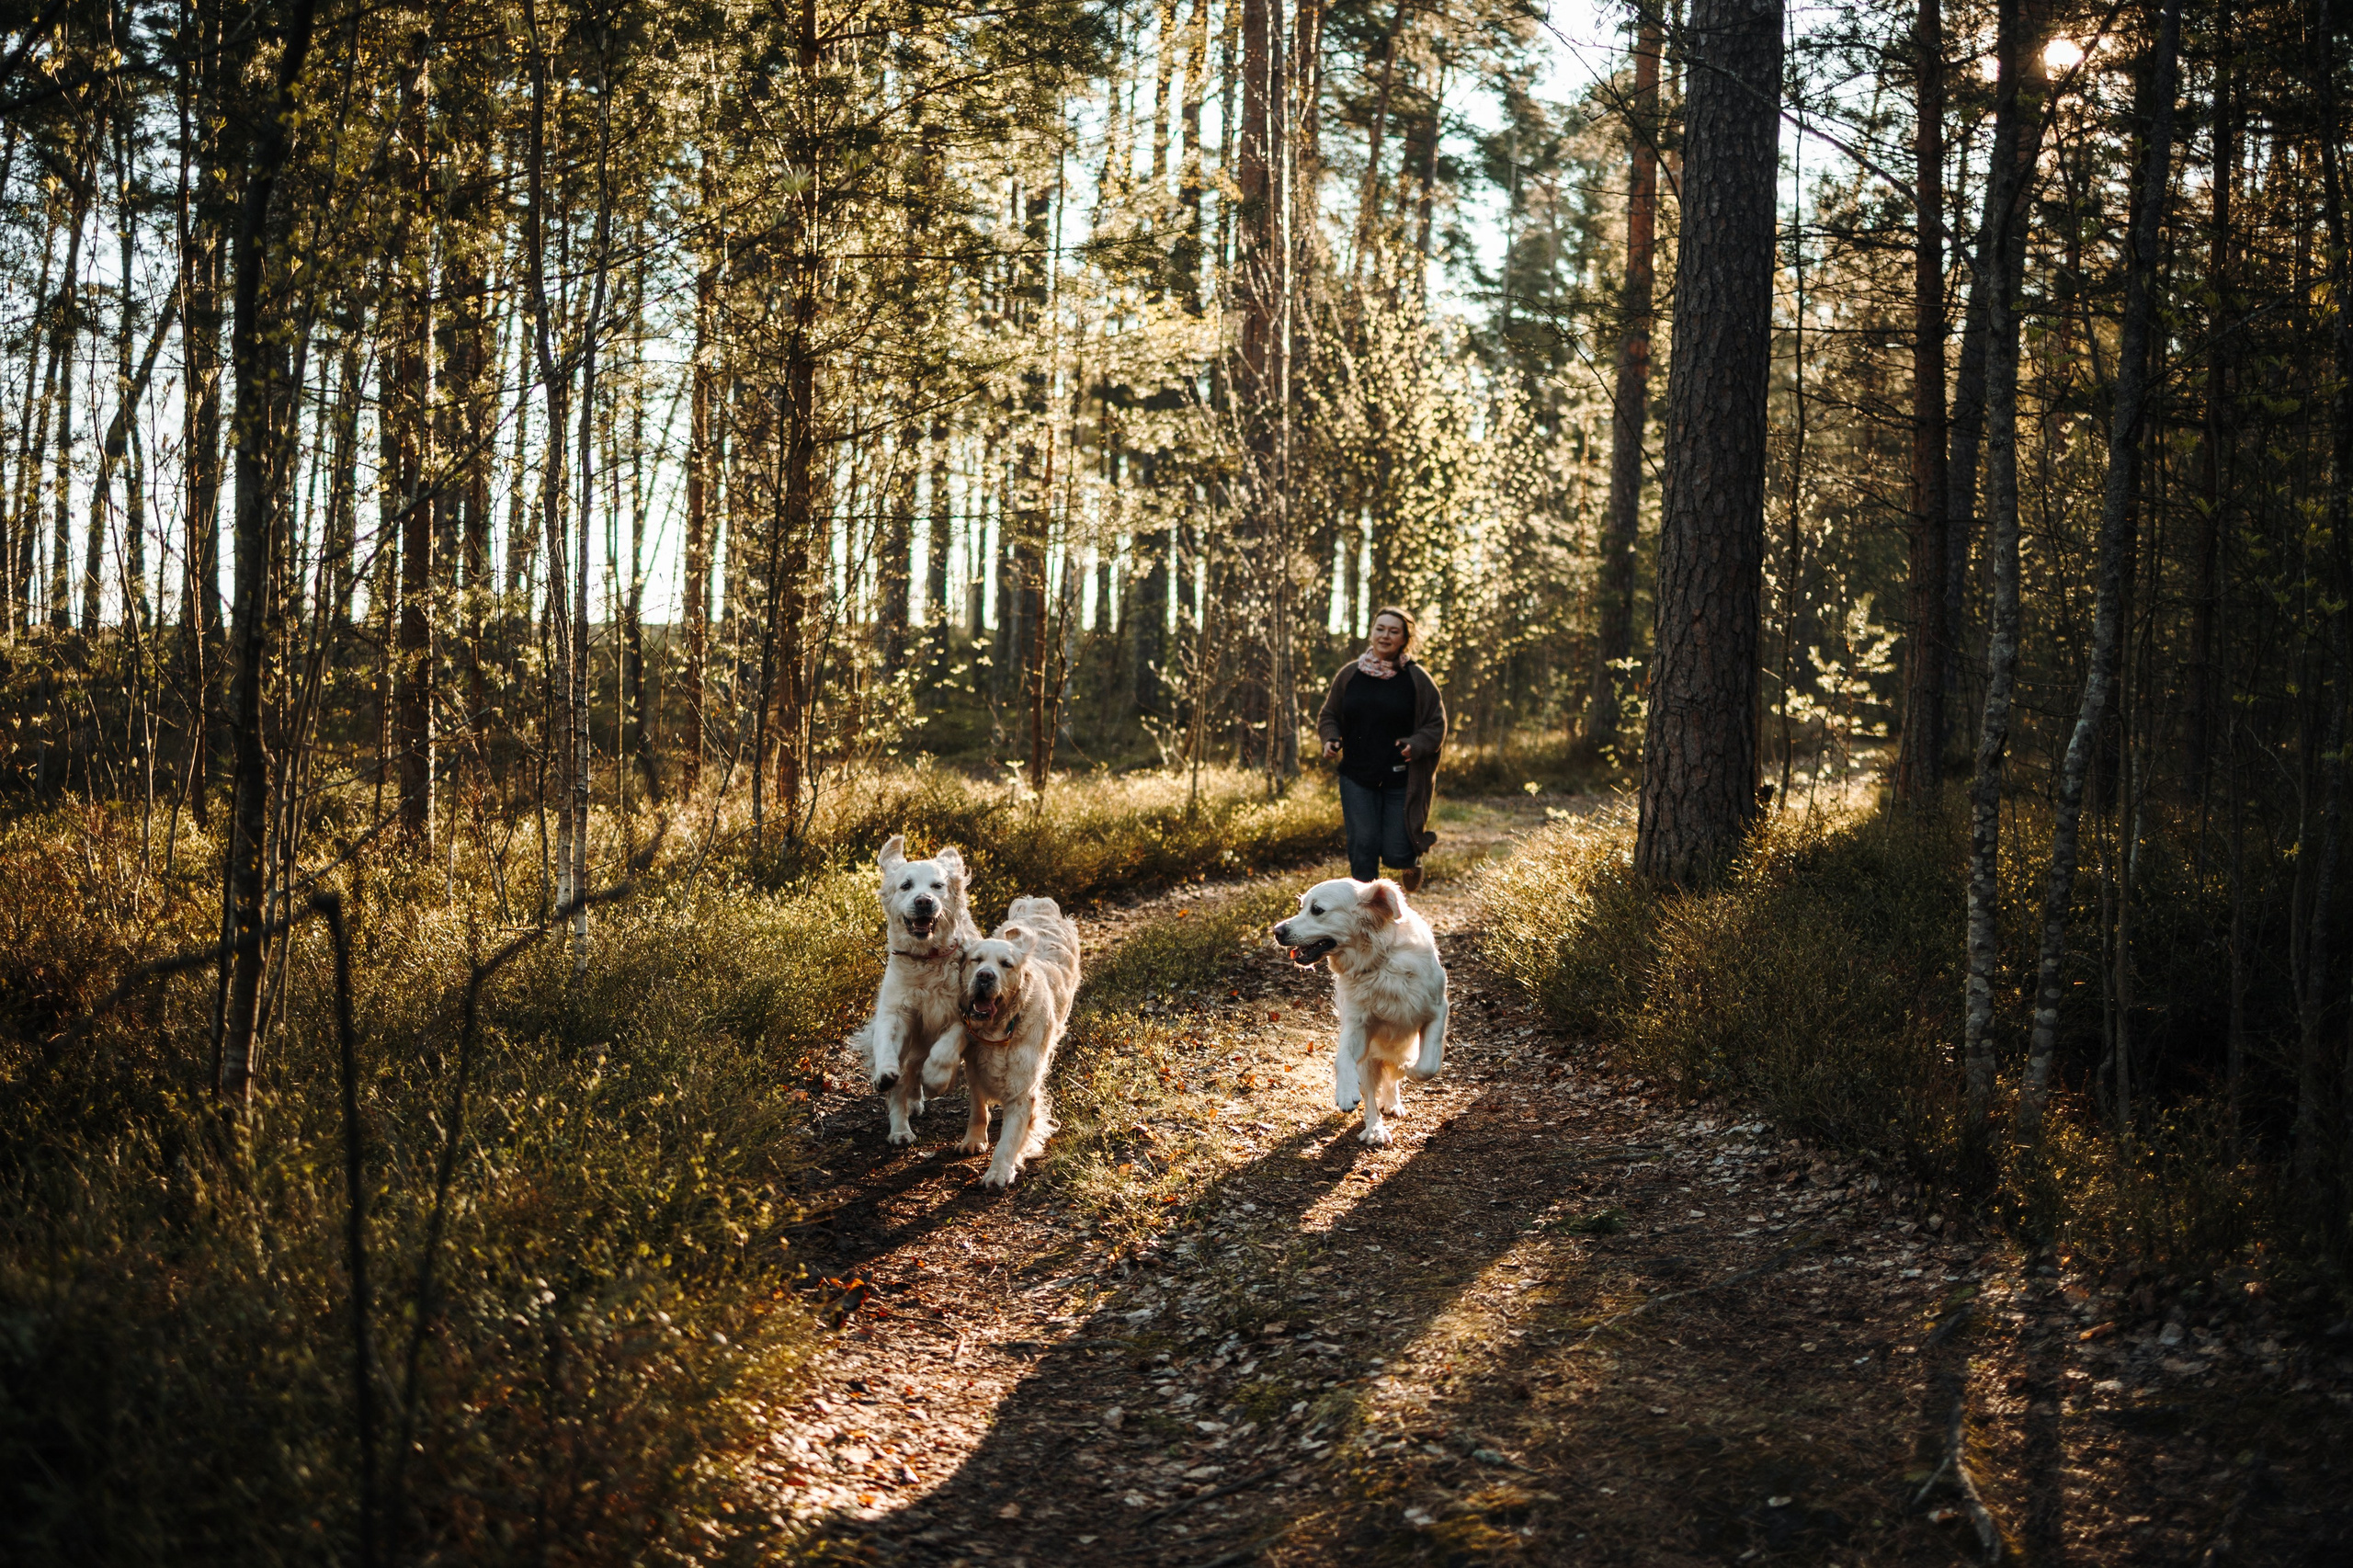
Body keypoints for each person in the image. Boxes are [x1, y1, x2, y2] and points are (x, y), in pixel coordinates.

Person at [1316, 607, 1447, 892]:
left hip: (1399, 778)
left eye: (1393, 631)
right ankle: (1366, 910)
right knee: (1363, 845)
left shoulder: (1417, 679)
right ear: (1372, 632)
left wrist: (1417, 744)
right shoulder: (1350, 674)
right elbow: (1330, 714)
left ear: (1404, 639)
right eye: (1380, 629)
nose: (1385, 636)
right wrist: (1330, 737)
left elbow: (1436, 725)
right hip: (1357, 776)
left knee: (1397, 852)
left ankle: (1410, 861)